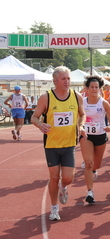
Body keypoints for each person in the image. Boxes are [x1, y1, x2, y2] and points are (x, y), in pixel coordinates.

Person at [31, 66, 86, 221]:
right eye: (63, 79)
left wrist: (80, 126)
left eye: (68, 78)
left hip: (69, 144)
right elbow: (34, 117)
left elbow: (82, 114)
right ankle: (54, 208)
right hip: (52, 145)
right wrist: (40, 124)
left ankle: (64, 187)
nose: (67, 81)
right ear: (55, 81)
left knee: (68, 178)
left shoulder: (76, 97)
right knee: (54, 176)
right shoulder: (46, 97)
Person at [80, 75, 110, 204]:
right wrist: (80, 126)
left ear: (100, 89)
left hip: (100, 135)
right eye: (92, 87)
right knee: (88, 163)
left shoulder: (103, 103)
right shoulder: (82, 102)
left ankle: (94, 170)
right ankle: (90, 192)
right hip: (86, 135)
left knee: (97, 164)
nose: (94, 89)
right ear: (87, 89)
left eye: (96, 87)